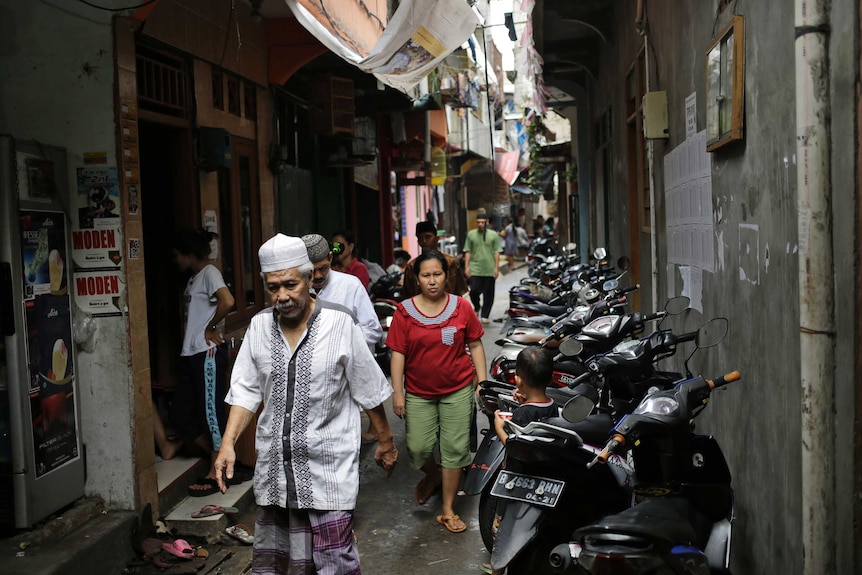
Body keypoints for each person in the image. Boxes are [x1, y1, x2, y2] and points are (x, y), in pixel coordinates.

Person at [214, 233, 398, 575]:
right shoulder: (258, 327)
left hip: (328, 472)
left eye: (290, 284)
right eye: (273, 287)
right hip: (275, 473)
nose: (281, 295)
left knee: (334, 563)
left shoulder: (340, 323)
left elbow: (368, 388)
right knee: (279, 564)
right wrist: (228, 444)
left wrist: (385, 440)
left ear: (310, 277)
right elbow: (245, 392)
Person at [386, 251, 487, 534]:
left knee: (454, 449)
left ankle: (448, 510)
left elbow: (476, 344)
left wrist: (482, 381)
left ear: (447, 276)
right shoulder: (404, 311)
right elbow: (397, 354)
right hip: (419, 392)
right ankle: (435, 475)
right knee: (417, 449)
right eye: (426, 275)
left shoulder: (461, 307)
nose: (432, 281)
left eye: (437, 274)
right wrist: (397, 393)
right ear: (417, 279)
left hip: (458, 388)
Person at [169, 228, 239, 496]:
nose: (175, 260)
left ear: (188, 254)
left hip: (207, 352)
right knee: (181, 415)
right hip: (192, 354)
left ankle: (216, 469)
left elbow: (228, 301)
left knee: (212, 415)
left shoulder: (209, 273)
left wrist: (211, 327)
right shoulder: (194, 279)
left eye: (177, 255)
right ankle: (221, 455)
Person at [302, 233, 384, 445]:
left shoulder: (350, 285)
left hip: (343, 381)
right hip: (308, 382)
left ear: (330, 258)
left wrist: (340, 344)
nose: (318, 275)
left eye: (322, 268)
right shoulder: (295, 290)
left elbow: (373, 330)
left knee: (344, 442)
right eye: (311, 270)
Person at [483, 346, 556, 575]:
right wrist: (523, 399)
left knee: (502, 527)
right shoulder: (553, 406)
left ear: (518, 379)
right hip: (540, 480)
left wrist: (499, 427)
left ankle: (498, 569)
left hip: (515, 480)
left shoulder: (523, 415)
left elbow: (514, 446)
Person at [402, 220, 468, 298]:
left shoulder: (450, 262)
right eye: (420, 238)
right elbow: (408, 295)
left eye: (428, 237)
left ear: (437, 238)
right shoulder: (412, 266)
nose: (424, 241)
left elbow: (460, 290)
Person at [463, 212, 502, 324]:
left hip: (489, 268)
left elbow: (496, 252)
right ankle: (477, 306)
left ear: (487, 222)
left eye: (482, 222)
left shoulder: (493, 235)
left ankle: (485, 315)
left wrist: (496, 268)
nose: (480, 224)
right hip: (475, 268)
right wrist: (467, 267)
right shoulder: (471, 235)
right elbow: (468, 251)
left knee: (488, 294)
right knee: (473, 291)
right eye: (478, 222)